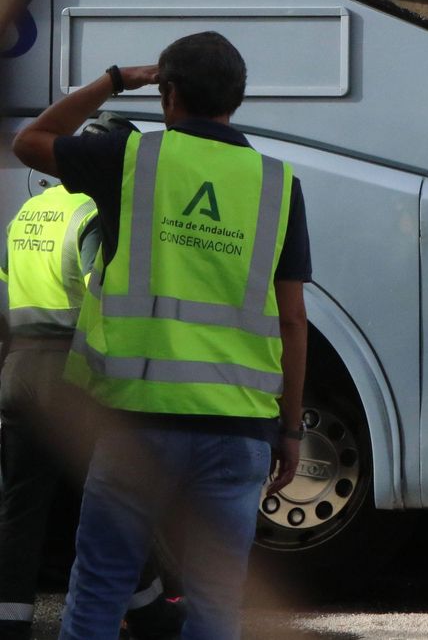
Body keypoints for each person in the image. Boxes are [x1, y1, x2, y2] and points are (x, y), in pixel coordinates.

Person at [11, 31, 311, 640]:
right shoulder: (279, 185)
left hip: (136, 423)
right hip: (237, 429)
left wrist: (117, 80)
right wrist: (288, 426)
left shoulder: (131, 159)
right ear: (238, 98)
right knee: (216, 604)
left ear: (167, 93)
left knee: (99, 588)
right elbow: (292, 318)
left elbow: (29, 141)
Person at [0, 116, 182, 640]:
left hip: (20, 369)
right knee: (114, 500)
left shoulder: (29, 210)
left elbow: (6, 286)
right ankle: (149, 611)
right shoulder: (93, 214)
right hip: (73, 372)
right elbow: (103, 300)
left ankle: (10, 622)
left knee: (20, 508)